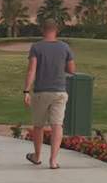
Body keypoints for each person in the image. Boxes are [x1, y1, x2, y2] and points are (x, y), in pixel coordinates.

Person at [22, 19, 75, 169]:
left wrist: (26, 91)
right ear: (56, 30)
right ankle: (53, 160)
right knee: (57, 125)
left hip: (41, 92)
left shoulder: (36, 47)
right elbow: (72, 69)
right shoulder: (65, 47)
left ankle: (37, 156)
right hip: (59, 92)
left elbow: (31, 70)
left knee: (38, 126)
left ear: (42, 30)